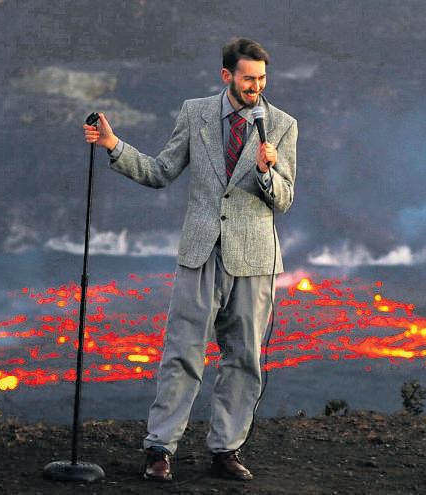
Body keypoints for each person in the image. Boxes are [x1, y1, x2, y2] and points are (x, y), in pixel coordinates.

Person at [82, 37, 297, 482]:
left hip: (255, 260)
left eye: (262, 79)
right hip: (200, 253)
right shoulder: (195, 113)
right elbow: (161, 171)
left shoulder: (282, 125)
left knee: (244, 358)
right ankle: (160, 448)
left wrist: (266, 172)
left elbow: (284, 199)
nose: (256, 87)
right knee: (182, 352)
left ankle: (226, 450)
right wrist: (113, 144)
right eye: (248, 79)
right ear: (227, 76)